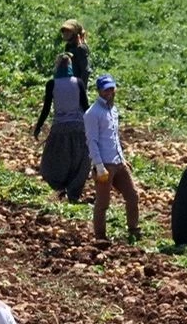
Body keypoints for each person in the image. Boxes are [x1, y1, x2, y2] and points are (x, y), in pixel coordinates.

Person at [84, 74, 140, 242]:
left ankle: (134, 230)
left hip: (117, 161)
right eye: (106, 90)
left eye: (111, 89)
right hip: (104, 163)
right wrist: (98, 165)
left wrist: (123, 158)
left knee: (132, 195)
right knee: (103, 202)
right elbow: (92, 141)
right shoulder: (93, 113)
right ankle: (100, 236)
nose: (109, 92)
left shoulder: (113, 110)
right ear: (99, 91)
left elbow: (114, 137)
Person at [34, 53, 90, 202]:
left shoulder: (52, 84)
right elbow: (86, 107)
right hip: (78, 127)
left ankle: (59, 187)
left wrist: (38, 126)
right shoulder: (78, 82)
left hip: (59, 128)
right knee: (78, 160)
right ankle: (73, 192)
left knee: (55, 159)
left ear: (57, 66)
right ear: (70, 66)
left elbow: (46, 108)